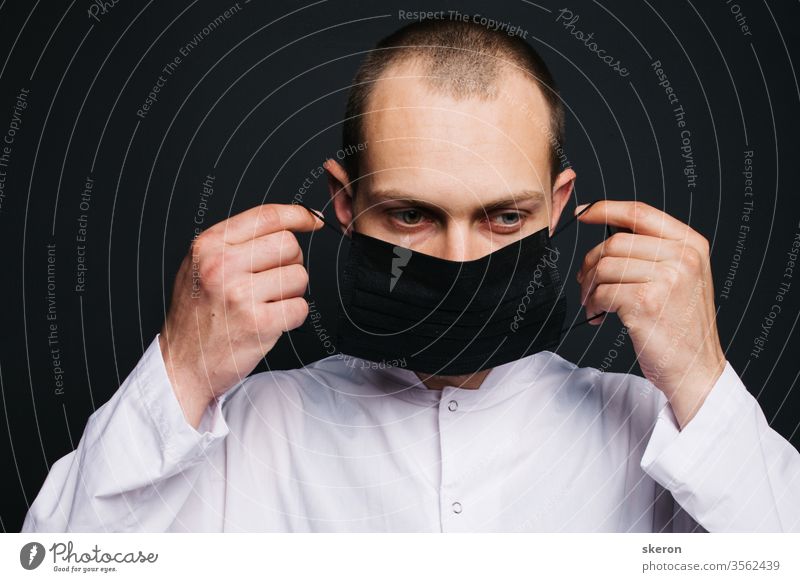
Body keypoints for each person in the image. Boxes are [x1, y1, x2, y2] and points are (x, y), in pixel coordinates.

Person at [22, 18, 800, 532]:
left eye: (503, 217)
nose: (460, 262)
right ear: (346, 203)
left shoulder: (657, 432)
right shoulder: (238, 435)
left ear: (557, 206)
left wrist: (702, 379)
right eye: (411, 215)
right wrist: (181, 373)